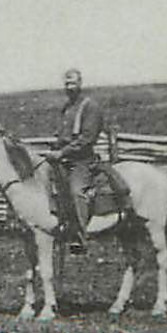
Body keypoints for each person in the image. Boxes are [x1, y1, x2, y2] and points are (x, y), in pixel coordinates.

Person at [41, 68, 104, 253]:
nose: (69, 87)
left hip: (81, 160)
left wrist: (62, 152)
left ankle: (80, 236)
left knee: (76, 191)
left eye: (73, 83)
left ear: (80, 84)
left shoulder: (90, 107)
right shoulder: (67, 107)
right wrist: (55, 146)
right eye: (67, 83)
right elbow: (63, 135)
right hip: (63, 159)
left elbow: (87, 139)